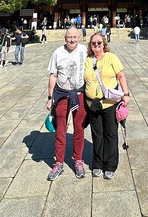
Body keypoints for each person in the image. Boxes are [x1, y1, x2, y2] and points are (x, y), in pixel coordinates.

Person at [84, 32, 130, 179]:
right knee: (97, 135)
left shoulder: (112, 58)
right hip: (92, 104)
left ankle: (110, 164)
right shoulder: (87, 60)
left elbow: (121, 76)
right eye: (93, 43)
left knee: (110, 134)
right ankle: (97, 163)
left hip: (109, 103)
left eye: (99, 43)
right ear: (90, 45)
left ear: (104, 44)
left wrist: (126, 94)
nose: (96, 45)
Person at [46, 27, 87, 181]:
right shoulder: (57, 52)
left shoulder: (84, 50)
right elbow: (53, 75)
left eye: (74, 37)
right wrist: (50, 97)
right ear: (65, 37)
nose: (72, 40)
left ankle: (78, 160)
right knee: (60, 130)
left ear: (79, 37)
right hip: (62, 94)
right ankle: (59, 162)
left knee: (79, 128)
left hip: (79, 93)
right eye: (69, 37)